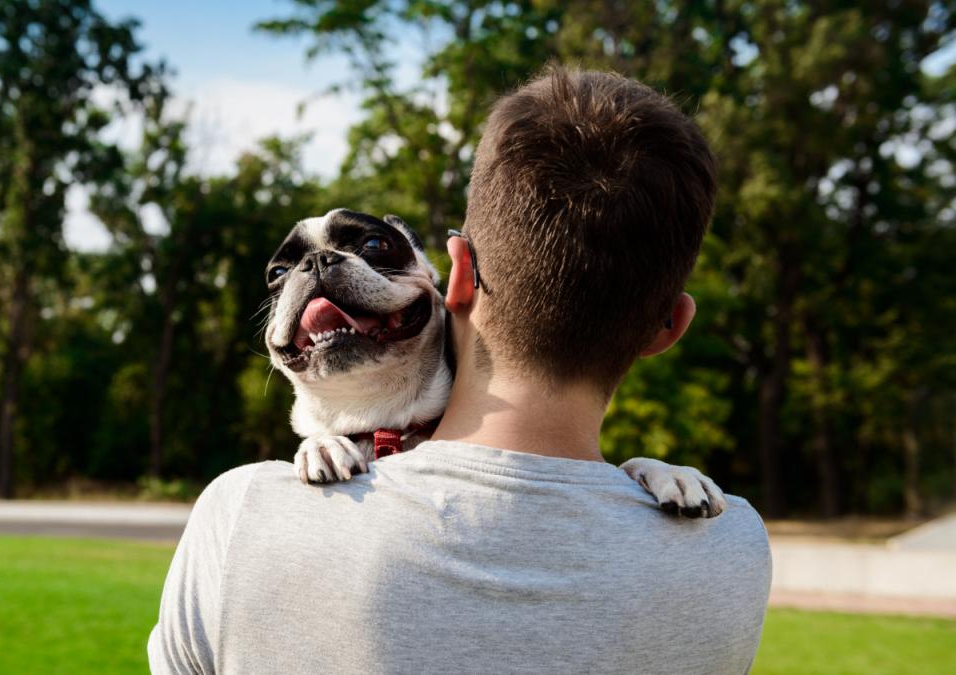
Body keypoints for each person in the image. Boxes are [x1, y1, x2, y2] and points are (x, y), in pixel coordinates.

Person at [149, 66, 771, 674]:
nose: (314, 272)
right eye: (283, 273)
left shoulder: (242, 518)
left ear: (455, 276)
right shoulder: (730, 545)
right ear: (670, 324)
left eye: (370, 248)